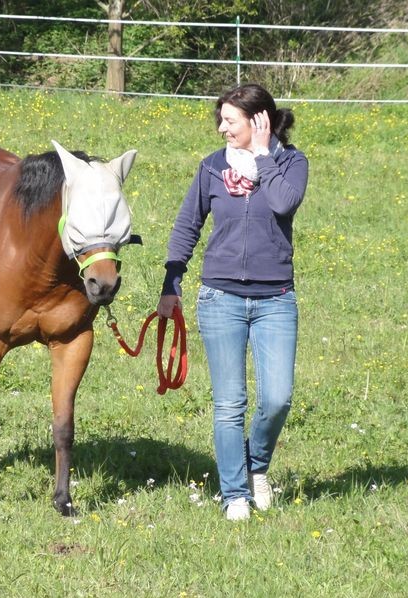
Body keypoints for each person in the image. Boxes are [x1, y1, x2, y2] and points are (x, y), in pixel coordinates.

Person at [157, 83, 308, 521]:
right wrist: (172, 281)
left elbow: (283, 202)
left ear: (259, 121)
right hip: (220, 297)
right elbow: (187, 224)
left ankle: (255, 465)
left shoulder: (290, 163)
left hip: (275, 299)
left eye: (231, 121)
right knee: (229, 404)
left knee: (278, 398)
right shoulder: (211, 168)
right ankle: (234, 494)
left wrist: (263, 155)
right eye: (221, 119)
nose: (222, 128)